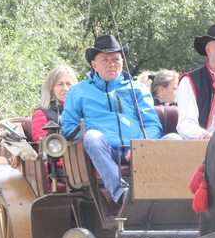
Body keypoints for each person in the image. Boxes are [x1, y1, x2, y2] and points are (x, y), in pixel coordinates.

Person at [61, 34, 163, 206]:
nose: (111, 64)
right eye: (105, 60)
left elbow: (153, 125)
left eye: (116, 59)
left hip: (140, 151)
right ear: (94, 65)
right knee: (93, 137)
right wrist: (86, 132)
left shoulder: (137, 89)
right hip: (105, 151)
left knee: (174, 139)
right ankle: (121, 193)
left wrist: (140, 146)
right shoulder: (78, 91)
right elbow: (69, 128)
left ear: (122, 62)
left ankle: (177, 195)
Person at [32, 65, 77, 141]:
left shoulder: (84, 110)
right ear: (51, 89)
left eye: (69, 84)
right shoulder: (41, 113)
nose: (65, 89)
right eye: (60, 84)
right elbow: (42, 144)